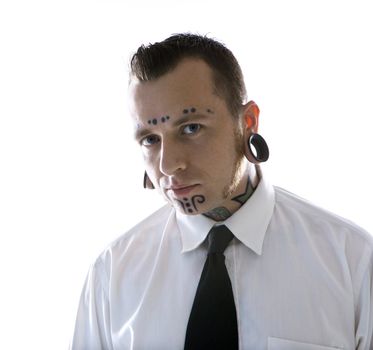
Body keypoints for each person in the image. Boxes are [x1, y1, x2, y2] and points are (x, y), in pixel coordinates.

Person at [71, 33, 373, 349]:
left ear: (248, 122)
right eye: (150, 139)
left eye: (190, 128)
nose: (169, 164)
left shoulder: (352, 263)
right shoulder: (112, 275)